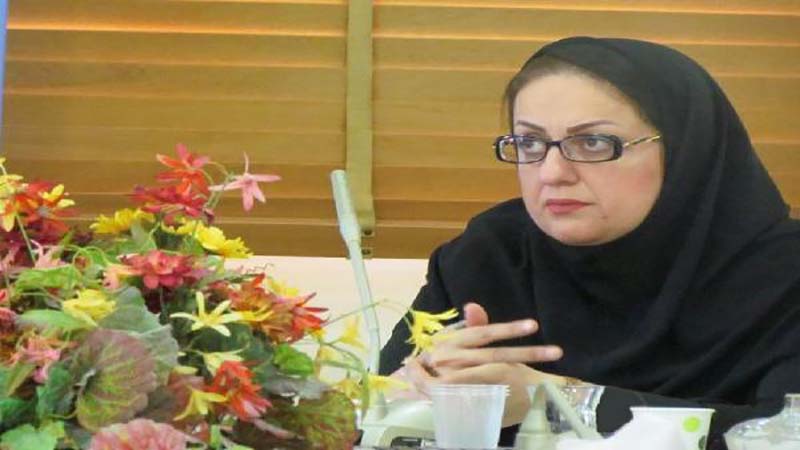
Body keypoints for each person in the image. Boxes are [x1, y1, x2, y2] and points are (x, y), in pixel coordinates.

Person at [379, 36, 800, 450]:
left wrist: (562, 401)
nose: (552, 173)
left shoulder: (786, 273)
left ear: (684, 150)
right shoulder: (492, 253)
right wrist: (419, 384)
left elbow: (783, 433)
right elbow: (367, 410)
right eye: (530, 142)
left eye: (594, 142)